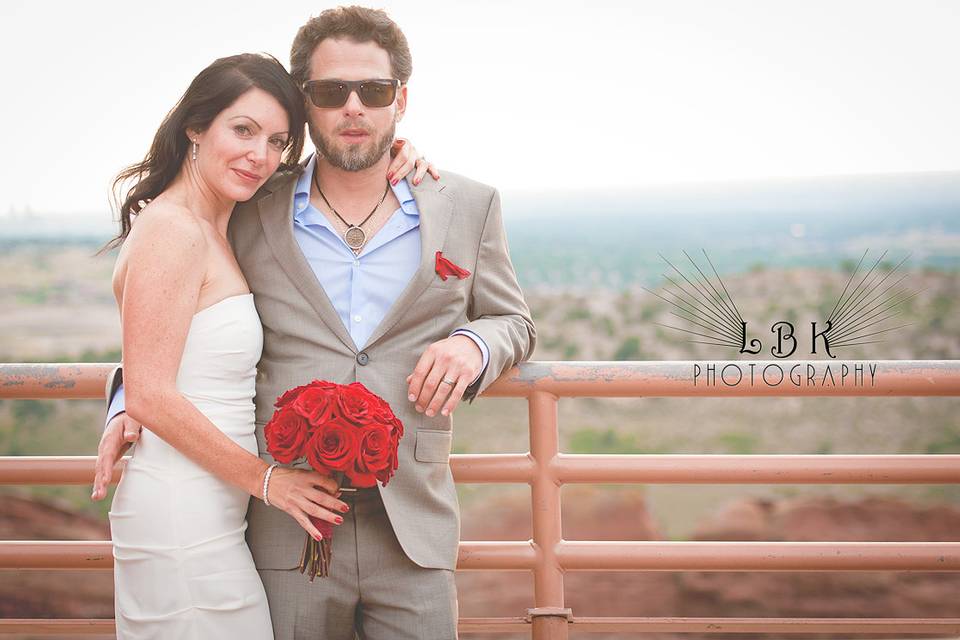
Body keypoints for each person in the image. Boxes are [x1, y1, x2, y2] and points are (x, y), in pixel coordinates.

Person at [95, 6, 536, 639]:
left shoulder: (467, 205)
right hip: (278, 527)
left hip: (412, 525)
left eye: (374, 91)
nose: (354, 107)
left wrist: (474, 343)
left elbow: (513, 320)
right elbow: (169, 325)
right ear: (307, 103)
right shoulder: (248, 206)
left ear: (400, 101)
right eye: (332, 92)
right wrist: (126, 400)